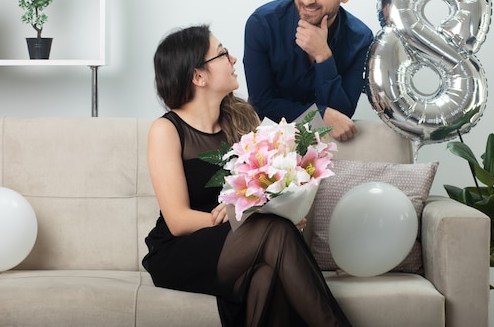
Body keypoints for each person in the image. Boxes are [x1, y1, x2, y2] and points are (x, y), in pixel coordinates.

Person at [143, 25, 353, 327]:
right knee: (275, 231)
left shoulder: (244, 118)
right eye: (222, 54)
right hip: (182, 250)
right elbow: (177, 221)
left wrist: (283, 207)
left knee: (265, 278)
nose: (233, 59)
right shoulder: (166, 130)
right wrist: (240, 216)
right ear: (198, 76)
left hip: (243, 242)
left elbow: (263, 190)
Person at [244, 0, 374, 141]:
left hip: (328, 145)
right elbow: (261, 104)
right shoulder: (262, 24)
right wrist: (321, 113)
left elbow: (342, 113)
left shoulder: (361, 39)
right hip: (268, 140)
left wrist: (323, 55)